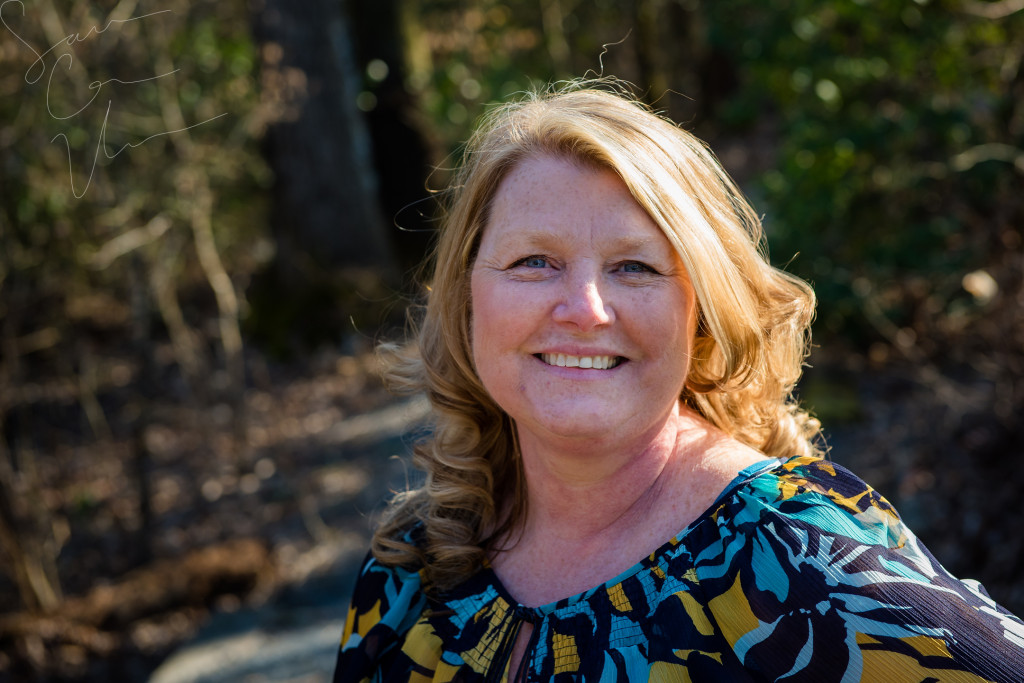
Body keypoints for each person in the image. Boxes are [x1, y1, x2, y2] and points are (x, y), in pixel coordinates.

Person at [333, 81, 1024, 682]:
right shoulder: (412, 570)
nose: (584, 308)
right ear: (466, 297)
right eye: (534, 261)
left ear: (699, 312)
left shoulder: (789, 558)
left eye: (634, 267)